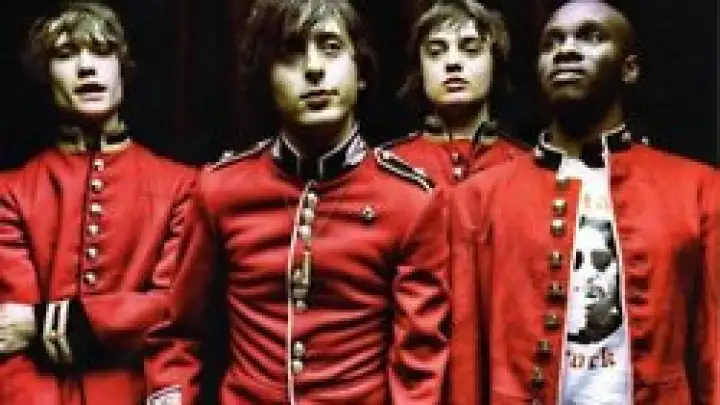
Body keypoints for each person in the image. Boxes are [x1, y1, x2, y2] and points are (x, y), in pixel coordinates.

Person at [450, 1, 717, 404]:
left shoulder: (698, 188)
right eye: (552, 43)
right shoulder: (479, 197)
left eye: (591, 37)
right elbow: (466, 353)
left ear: (629, 69)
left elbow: (714, 342)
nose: (567, 50)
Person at [197, 0, 449, 403]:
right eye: (291, 52)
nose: (313, 68)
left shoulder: (410, 202)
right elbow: (180, 333)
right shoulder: (221, 189)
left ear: (360, 72)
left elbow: (419, 362)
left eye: (331, 47)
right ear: (267, 76)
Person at [0, 3, 211, 404]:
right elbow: (10, 338)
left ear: (121, 69)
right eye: (66, 54)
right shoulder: (10, 191)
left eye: (101, 52)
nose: (86, 67)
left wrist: (47, 322)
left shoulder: (182, 186)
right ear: (45, 74)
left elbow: (172, 315)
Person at [391, 0, 526, 186]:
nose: (453, 62)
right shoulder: (389, 166)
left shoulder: (527, 166)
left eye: (471, 50)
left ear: (495, 63)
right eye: (436, 52)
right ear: (419, 69)